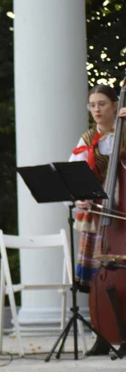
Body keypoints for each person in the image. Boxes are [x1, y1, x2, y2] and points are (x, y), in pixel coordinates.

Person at [68, 84, 126, 356]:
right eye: (92, 105)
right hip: (99, 217)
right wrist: (80, 196)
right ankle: (103, 335)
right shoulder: (88, 138)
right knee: (97, 278)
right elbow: (75, 174)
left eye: (102, 103)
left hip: (122, 212)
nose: (96, 110)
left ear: (115, 105)